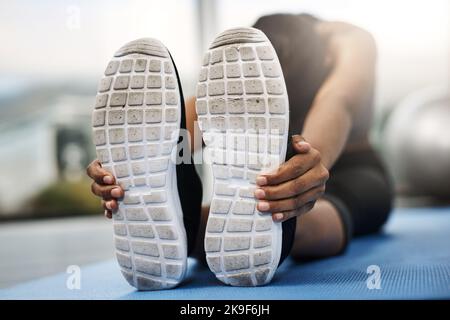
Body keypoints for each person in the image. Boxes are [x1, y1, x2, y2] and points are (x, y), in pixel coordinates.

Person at [87, 13, 392, 278]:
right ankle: (186, 222)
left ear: (323, 61)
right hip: (268, 180)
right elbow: (195, 120)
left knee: (292, 215)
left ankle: (207, 231)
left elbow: (337, 102)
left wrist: (307, 164)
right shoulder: (250, 56)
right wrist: (125, 169)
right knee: (261, 201)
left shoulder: (351, 41)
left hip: (353, 170)